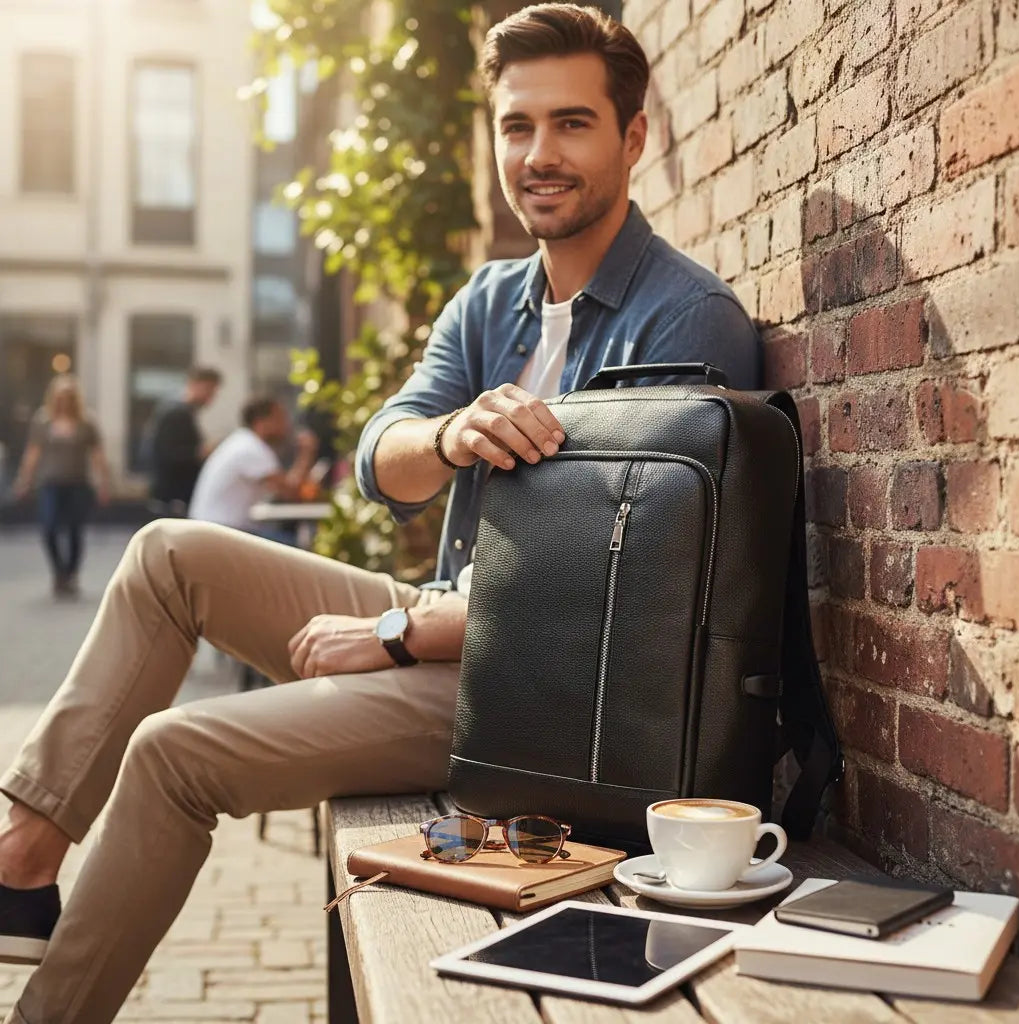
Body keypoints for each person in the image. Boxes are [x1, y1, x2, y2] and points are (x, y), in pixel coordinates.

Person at [0, 6, 760, 1021]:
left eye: (572, 124)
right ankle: (21, 856)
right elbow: (380, 460)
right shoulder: (493, 302)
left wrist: (399, 633)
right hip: (458, 629)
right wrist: (449, 436)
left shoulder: (686, 320)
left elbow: (623, 604)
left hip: (546, 699)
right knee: (165, 553)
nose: (538, 154)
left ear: (632, 137)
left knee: (173, 752)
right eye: (516, 125)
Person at [10, 375, 112, 598]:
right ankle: (58, 571)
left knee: (76, 529)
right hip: (50, 483)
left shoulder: (86, 422)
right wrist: (24, 478)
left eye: (68, 396)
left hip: (78, 483)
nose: (64, 401)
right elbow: (33, 452)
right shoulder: (43, 420)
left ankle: (71, 572)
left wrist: (104, 482)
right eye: (60, 396)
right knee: (49, 527)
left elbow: (97, 455)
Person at [187, 395, 319, 536]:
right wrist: (306, 454)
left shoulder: (244, 441)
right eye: (280, 419)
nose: (286, 425)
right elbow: (291, 493)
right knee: (296, 551)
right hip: (220, 533)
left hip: (216, 530)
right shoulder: (251, 448)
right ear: (261, 422)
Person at [144, 366, 222, 516]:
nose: (210, 397)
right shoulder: (176, 413)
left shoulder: (184, 412)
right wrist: (200, 453)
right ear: (194, 384)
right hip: (172, 498)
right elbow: (167, 454)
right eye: (209, 390)